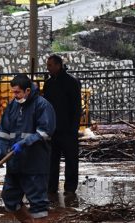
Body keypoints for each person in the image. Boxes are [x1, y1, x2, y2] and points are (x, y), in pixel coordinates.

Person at [0, 74, 56, 223]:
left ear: (28, 90)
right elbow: (2, 132)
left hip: (35, 163)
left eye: (18, 92)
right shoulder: (13, 107)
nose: (15, 96)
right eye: (13, 92)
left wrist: (25, 143)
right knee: (9, 198)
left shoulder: (43, 106)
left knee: (38, 201)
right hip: (14, 163)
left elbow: (45, 131)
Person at [43, 54, 82, 195]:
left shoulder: (71, 82)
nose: (48, 68)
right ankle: (51, 186)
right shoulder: (49, 83)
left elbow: (76, 107)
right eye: (48, 65)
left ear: (58, 65)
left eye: (50, 65)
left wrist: (74, 127)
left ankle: (70, 187)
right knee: (52, 160)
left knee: (71, 160)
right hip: (53, 129)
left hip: (67, 128)